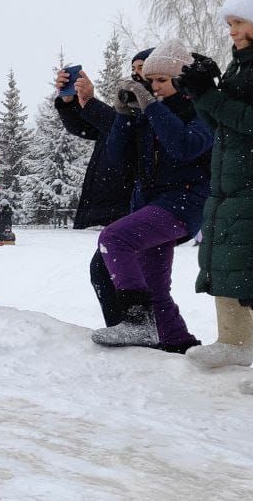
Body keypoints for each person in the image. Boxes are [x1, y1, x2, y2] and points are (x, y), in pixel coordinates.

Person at [181, 0, 253, 394]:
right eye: (229, 24)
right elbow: (223, 125)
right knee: (226, 264)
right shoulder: (246, 62)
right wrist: (201, 94)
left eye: (239, 22)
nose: (231, 31)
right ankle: (234, 345)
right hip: (232, 181)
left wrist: (213, 97)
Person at [90, 39, 212, 353]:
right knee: (154, 286)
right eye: (150, 80)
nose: (153, 86)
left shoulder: (200, 109)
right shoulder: (148, 113)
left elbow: (185, 147)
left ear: (181, 79)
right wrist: (123, 114)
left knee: (113, 239)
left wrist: (152, 107)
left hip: (183, 202)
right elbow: (118, 158)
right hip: (150, 201)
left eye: (161, 80)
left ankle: (136, 321)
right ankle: (177, 343)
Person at [55, 54, 144, 327]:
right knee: (108, 271)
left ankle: (137, 330)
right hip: (121, 205)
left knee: (110, 271)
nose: (138, 74)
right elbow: (84, 127)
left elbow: (127, 129)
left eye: (144, 68)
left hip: (140, 204)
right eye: (134, 69)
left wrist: (90, 102)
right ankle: (128, 329)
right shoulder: (127, 111)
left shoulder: (157, 111)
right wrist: (70, 102)